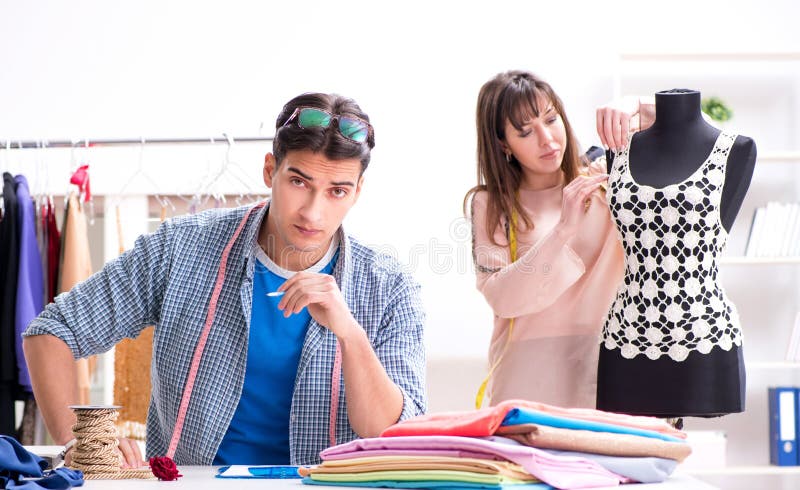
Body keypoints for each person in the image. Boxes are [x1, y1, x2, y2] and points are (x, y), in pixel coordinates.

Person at [22, 92, 427, 467]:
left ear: (357, 192)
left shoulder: (390, 288)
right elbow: (51, 332)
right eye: (299, 182)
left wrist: (350, 334)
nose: (313, 213)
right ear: (270, 171)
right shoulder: (180, 248)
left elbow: (391, 432)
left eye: (337, 191)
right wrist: (78, 443)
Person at [464, 70, 654, 409]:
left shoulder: (605, 175)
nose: (547, 139)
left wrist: (635, 103)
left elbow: (710, 136)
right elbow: (502, 298)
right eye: (525, 131)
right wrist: (564, 228)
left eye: (551, 120)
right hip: (528, 379)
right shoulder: (491, 203)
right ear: (503, 144)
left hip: (606, 366)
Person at [597, 88, 756, 418]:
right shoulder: (618, 154)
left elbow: (701, 130)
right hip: (625, 338)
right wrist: (638, 104)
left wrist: (641, 104)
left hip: (704, 339)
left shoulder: (735, 150)